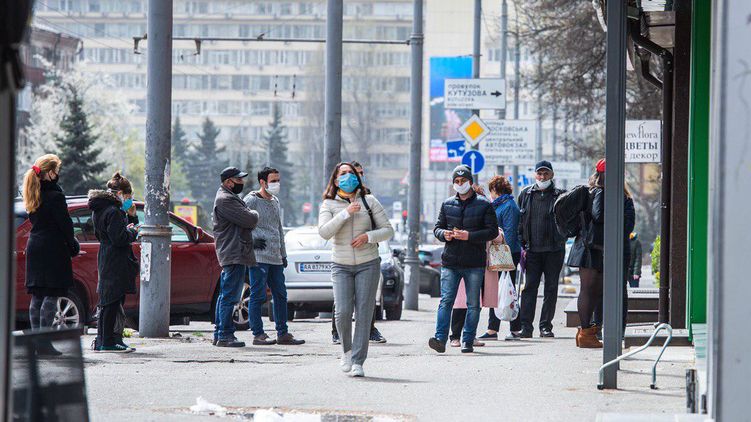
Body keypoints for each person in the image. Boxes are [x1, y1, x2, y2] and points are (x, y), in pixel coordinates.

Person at [318, 162, 394, 377]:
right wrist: (345, 213)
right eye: (343, 174)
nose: (348, 177)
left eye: (351, 173)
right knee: (342, 312)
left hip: (368, 263)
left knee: (363, 313)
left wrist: (368, 237)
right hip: (340, 265)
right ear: (335, 180)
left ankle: (359, 361)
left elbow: (388, 230)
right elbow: (324, 232)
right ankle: (346, 351)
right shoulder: (329, 204)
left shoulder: (369, 201)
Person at [428, 165, 498, 354]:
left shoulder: (484, 204)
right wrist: (445, 234)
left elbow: (491, 231)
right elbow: (437, 228)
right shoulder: (447, 203)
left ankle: (467, 340)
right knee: (446, 301)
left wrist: (469, 236)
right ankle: (440, 339)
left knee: (473, 303)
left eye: (463, 181)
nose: (460, 184)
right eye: (456, 182)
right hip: (450, 261)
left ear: (470, 182)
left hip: (474, 262)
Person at [568, 159, 635, 348]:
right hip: (596, 248)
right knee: (593, 291)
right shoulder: (606, 194)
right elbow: (601, 217)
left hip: (588, 247)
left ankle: (586, 332)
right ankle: (588, 333)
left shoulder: (590, 193)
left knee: (592, 291)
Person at [23, 154, 79, 356]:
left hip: (35, 246)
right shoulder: (55, 196)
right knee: (52, 293)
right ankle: (45, 344)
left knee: (38, 296)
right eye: (57, 170)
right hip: (52, 248)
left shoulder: (33, 193)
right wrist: (72, 244)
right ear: (50, 172)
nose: (59, 174)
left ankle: (36, 342)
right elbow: (65, 225)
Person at [244, 167, 304, 346]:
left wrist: (283, 254)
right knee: (258, 295)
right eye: (273, 180)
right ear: (262, 182)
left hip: (276, 257)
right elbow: (240, 223)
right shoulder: (251, 200)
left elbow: (278, 229)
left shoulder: (275, 201)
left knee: (281, 295)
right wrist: (251, 242)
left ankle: (282, 333)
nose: (276, 184)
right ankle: (258, 334)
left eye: (278, 180)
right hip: (259, 256)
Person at [330, 161, 387, 345]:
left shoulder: (367, 197)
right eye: (354, 173)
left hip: (368, 253)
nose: (356, 176)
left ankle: (369, 331)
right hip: (343, 258)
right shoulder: (332, 201)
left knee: (366, 301)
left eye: (359, 173)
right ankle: (338, 333)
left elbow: (383, 227)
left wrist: (369, 237)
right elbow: (325, 229)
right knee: (343, 304)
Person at [89, 173, 139, 353]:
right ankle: (108, 342)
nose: (130, 199)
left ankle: (105, 340)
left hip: (106, 256)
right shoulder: (114, 212)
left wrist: (131, 217)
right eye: (129, 196)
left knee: (108, 301)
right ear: (122, 194)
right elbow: (120, 238)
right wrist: (132, 232)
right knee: (112, 301)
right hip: (116, 259)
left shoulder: (100, 209)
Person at [517, 160, 567, 338]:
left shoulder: (560, 195)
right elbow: (520, 222)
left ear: (552, 175)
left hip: (554, 250)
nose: (542, 177)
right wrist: (521, 242)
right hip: (532, 251)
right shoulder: (525, 194)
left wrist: (563, 238)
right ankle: (526, 327)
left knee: (551, 288)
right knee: (529, 288)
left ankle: (545, 326)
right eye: (540, 173)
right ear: (535, 175)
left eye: (546, 173)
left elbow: (569, 220)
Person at [212, 167, 260, 348]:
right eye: (238, 179)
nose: (242, 182)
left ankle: (220, 333)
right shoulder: (226, 200)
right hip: (233, 252)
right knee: (230, 296)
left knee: (226, 294)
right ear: (228, 182)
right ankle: (224, 334)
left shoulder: (230, 197)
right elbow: (250, 220)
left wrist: (249, 213)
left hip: (234, 251)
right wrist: (254, 213)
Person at [478, 175, 523, 341]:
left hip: (506, 254)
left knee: (505, 290)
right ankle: (503, 328)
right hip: (500, 253)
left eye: (491, 191)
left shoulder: (508, 206)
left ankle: (504, 329)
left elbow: (510, 233)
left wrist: (505, 256)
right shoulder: (499, 205)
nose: (491, 194)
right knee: (500, 290)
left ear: (496, 190)